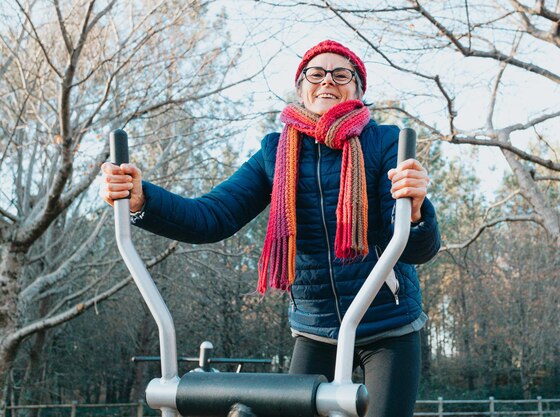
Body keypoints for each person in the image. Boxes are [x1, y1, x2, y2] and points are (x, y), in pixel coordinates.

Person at [100, 40, 440, 417]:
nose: (327, 80)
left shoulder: (385, 143)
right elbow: (212, 216)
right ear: (301, 87)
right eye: (316, 73)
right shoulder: (275, 152)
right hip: (316, 327)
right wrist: (141, 199)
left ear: (358, 89)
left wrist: (415, 211)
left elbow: (416, 249)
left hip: (387, 323)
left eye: (341, 74)